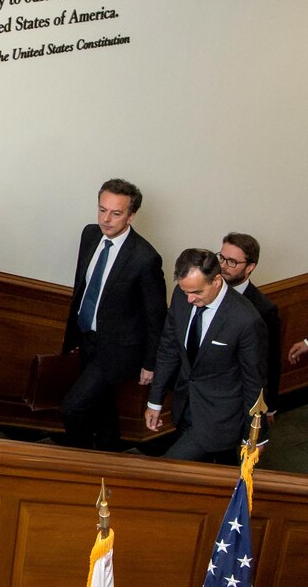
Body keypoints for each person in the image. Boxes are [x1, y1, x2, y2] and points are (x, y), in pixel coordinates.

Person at [60, 178, 166, 450]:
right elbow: (82, 285)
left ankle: (78, 461)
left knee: (73, 407)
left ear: (131, 216)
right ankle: (109, 454)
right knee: (102, 404)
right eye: (102, 210)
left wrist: (150, 362)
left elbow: (155, 315)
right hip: (87, 338)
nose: (106, 219)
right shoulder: (90, 234)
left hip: (118, 349)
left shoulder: (145, 258)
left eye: (116, 213)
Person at [145, 249, 267, 463]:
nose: (190, 299)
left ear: (217, 281)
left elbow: (254, 383)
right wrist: (155, 402)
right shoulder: (181, 295)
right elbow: (169, 349)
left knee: (167, 470)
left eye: (197, 292)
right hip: (185, 408)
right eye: (186, 292)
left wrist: (254, 437)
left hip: (220, 419)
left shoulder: (245, 319)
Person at [219, 232, 281, 419]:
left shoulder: (263, 309)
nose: (223, 265)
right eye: (221, 257)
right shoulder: (206, 292)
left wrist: (268, 406)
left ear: (250, 267)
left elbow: (270, 361)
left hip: (237, 397)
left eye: (232, 262)